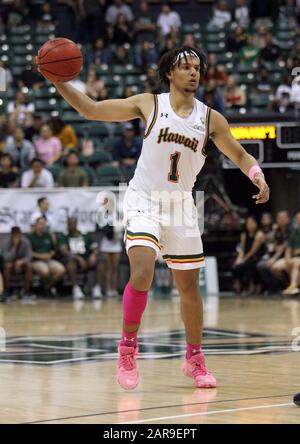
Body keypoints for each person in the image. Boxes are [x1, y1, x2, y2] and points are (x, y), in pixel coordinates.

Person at [48, 45, 270, 391]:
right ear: (169, 72)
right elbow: (90, 109)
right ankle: (127, 351)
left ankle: (194, 358)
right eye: (185, 66)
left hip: (181, 204)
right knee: (142, 272)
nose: (194, 72)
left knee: (189, 288)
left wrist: (256, 175)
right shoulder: (150, 103)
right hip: (143, 198)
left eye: (197, 66)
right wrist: (58, 81)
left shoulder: (211, 118)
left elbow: (239, 153)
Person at [56, 217, 96, 300]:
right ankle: (75, 288)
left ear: (76, 224)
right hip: (71, 258)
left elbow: (94, 247)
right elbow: (63, 251)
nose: (71, 226)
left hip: (85, 257)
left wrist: (93, 254)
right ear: (67, 225)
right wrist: (78, 258)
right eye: (69, 224)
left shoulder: (83, 234)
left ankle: (96, 287)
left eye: (73, 224)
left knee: (100, 261)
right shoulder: (64, 235)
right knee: (71, 263)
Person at [27, 217, 65, 297]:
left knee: (61, 270)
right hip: (36, 260)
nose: (42, 226)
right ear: (36, 225)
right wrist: (40, 256)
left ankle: (48, 287)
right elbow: (28, 252)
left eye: (44, 224)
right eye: (40, 223)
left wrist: (50, 254)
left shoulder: (48, 236)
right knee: (45, 271)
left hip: (49, 259)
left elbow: (54, 249)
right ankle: (47, 289)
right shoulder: (30, 237)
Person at [232, 215, 266, 294]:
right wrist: (238, 259)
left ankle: (253, 285)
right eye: (248, 223)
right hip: (246, 256)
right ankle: (238, 284)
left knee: (250, 265)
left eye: (251, 223)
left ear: (256, 224)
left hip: (256, 257)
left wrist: (243, 260)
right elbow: (242, 249)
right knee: (234, 264)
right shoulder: (244, 234)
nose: (250, 225)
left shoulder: (259, 234)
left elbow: (253, 251)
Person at [2, 226, 33, 300]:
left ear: (21, 234)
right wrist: (15, 247)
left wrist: (21, 262)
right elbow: (6, 258)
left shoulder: (26, 242)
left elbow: (29, 256)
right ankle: (7, 291)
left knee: (29, 266)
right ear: (11, 235)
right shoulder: (5, 242)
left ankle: (26, 291)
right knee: (7, 266)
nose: (17, 237)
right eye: (15, 235)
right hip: (10, 263)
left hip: (21, 263)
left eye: (18, 235)